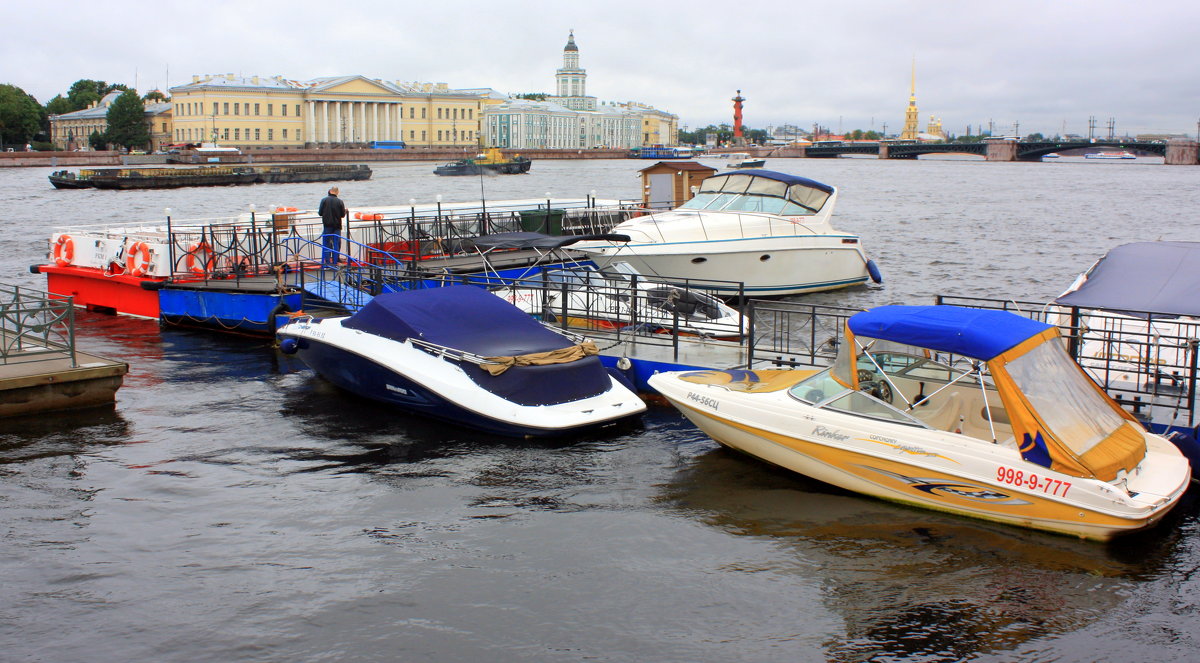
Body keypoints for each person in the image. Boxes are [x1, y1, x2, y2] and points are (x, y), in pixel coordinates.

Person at [317, 186, 348, 266]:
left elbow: (320, 213)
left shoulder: (324, 200)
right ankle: (335, 261)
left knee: (326, 243)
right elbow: (342, 215)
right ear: (337, 192)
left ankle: (327, 261)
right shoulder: (340, 201)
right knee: (336, 243)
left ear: (330, 191)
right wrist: (344, 211)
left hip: (327, 225)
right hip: (337, 226)